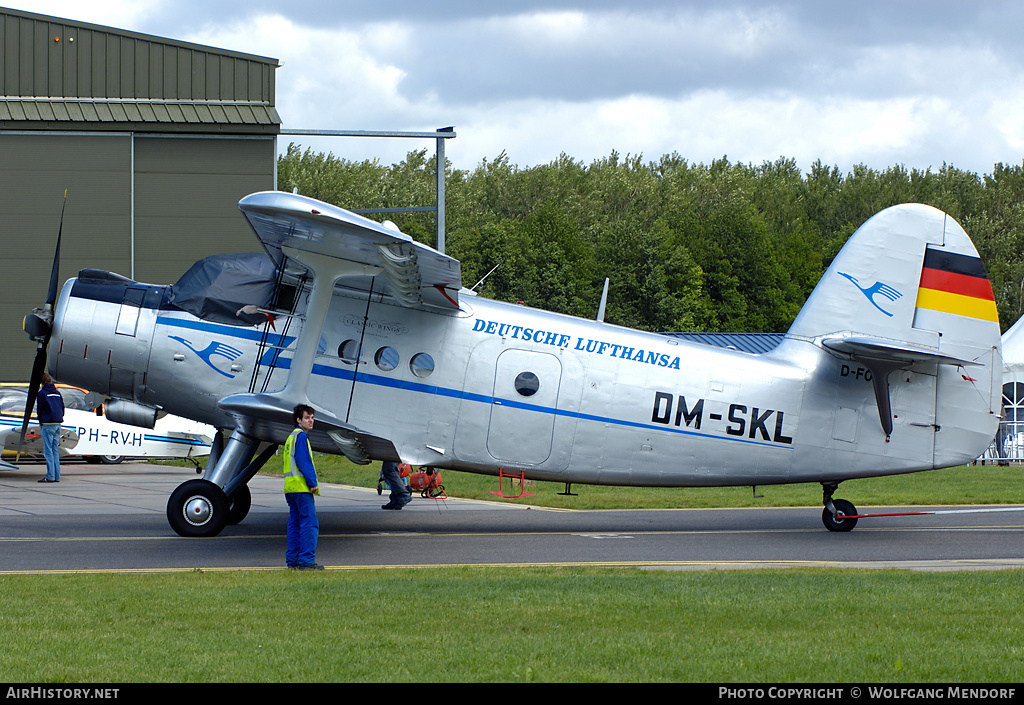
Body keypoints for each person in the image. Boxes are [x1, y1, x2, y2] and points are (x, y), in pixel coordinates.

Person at [283, 404, 323, 570]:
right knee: (309, 524)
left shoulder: (290, 438)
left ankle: (292, 559)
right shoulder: (301, 437)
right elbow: (303, 461)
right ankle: (306, 561)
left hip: (290, 488)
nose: (310, 421)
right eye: (307, 418)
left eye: (312, 417)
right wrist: (312, 482)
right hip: (301, 488)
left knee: (294, 523)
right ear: (298, 420)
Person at [36, 373, 65, 483]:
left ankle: (50, 476)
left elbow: (40, 409)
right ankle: (57, 476)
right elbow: (62, 407)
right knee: (54, 451)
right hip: (58, 424)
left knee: (48, 451)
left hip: (48, 424)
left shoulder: (42, 394)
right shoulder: (57, 393)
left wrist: (41, 421)